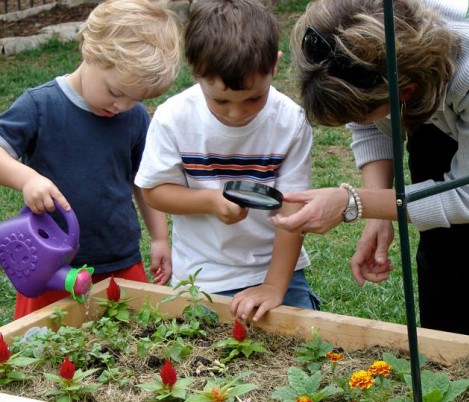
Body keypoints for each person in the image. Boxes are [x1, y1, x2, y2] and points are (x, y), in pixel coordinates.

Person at [270, 0, 469, 337]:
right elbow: (365, 118)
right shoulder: (369, 48)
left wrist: (353, 203)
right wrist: (380, 208)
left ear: (406, 93)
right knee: (446, 259)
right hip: (435, 90)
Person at [134, 0, 319, 323]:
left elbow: (293, 210)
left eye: (253, 98)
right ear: (195, 70)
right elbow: (154, 192)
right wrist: (209, 200)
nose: (237, 112)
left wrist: (273, 286)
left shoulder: (290, 122)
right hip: (200, 278)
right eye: (220, 100)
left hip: (273, 272)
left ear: (274, 66)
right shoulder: (173, 119)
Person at [0, 0, 183, 319]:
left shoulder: (135, 117)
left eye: (135, 98)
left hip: (120, 262)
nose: (122, 106)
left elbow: (146, 181)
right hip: (51, 267)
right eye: (115, 91)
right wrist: (27, 178)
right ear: (90, 51)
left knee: (130, 346)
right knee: (42, 350)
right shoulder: (41, 107)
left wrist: (159, 237)